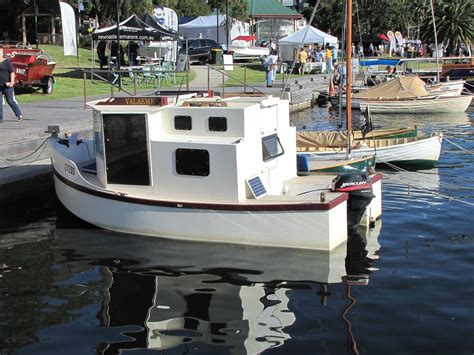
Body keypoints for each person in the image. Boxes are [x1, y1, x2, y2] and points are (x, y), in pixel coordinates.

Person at [0, 47, 23, 122]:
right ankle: (0, 118)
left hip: (7, 85)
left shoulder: (6, 62)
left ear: (2, 52)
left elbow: (12, 72)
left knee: (10, 100)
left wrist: (11, 82)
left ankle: (19, 114)